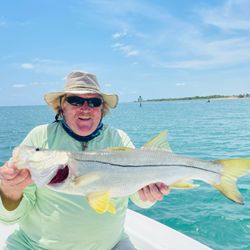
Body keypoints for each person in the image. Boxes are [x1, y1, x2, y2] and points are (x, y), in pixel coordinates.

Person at [0, 71, 170, 250]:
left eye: (94, 102)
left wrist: (149, 195)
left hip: (111, 245)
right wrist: (10, 192)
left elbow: (139, 199)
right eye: (75, 100)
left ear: (102, 109)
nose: (85, 108)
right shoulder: (39, 137)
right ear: (61, 106)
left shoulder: (119, 139)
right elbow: (9, 218)